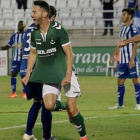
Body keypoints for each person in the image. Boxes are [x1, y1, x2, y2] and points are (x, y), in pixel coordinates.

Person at [22, 1, 88, 140]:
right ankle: (67, 109)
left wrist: (68, 75)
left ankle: (84, 137)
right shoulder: (34, 34)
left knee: (73, 109)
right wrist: (28, 73)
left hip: (66, 72)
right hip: (49, 75)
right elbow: (33, 53)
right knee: (48, 105)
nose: (31, 14)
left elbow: (69, 53)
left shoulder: (58, 29)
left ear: (44, 14)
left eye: (34, 12)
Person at [21, 5, 59, 140]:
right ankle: (47, 137)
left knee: (37, 102)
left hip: (25, 69)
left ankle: (28, 133)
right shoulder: (42, 29)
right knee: (46, 103)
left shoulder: (28, 30)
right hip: (37, 71)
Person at [109, 8, 140, 110]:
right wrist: (113, 55)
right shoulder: (122, 28)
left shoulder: (133, 28)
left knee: (135, 80)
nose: (122, 16)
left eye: (124, 14)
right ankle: (120, 105)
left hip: (131, 59)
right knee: (120, 81)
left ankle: (138, 104)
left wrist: (132, 59)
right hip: (122, 60)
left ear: (129, 16)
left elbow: (136, 44)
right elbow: (120, 43)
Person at [0, 20, 26, 99]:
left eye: (21, 24)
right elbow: (8, 46)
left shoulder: (27, 35)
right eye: (19, 24)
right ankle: (14, 92)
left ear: (24, 26)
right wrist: (1, 47)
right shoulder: (14, 36)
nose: (20, 25)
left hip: (24, 59)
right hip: (16, 59)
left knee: (23, 75)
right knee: (13, 74)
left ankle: (24, 93)